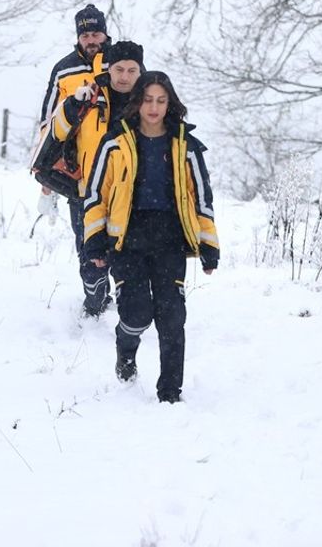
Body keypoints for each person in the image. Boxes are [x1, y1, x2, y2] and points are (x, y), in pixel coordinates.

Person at [81, 71, 219, 403]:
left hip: (170, 239)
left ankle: (170, 392)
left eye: (161, 100)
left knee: (172, 316)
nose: (154, 107)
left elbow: (201, 197)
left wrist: (209, 245)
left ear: (170, 103)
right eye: (147, 100)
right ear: (137, 102)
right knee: (137, 314)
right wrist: (94, 240)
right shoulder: (115, 142)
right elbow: (97, 195)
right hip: (127, 240)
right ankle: (126, 348)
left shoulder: (186, 146)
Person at [44, 38, 145, 316]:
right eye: (119, 69)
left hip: (132, 193)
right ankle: (96, 304)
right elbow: (57, 132)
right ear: (109, 68)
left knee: (130, 256)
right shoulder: (89, 94)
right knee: (91, 257)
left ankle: (130, 314)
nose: (124, 76)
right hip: (87, 188)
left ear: (140, 71)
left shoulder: (149, 100)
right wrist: (71, 106)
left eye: (131, 70)